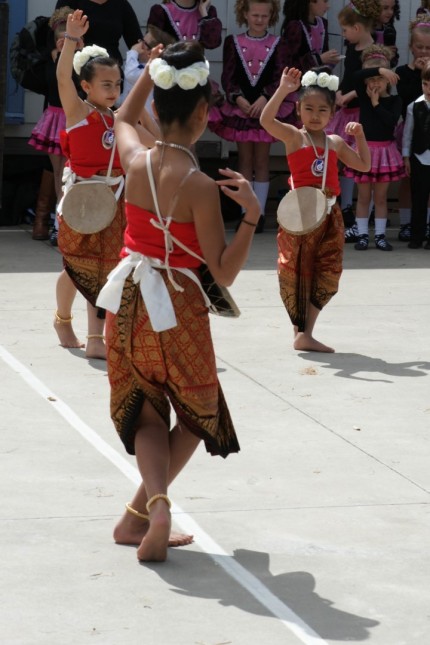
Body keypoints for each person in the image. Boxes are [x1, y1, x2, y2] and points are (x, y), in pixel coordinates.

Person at [96, 41, 260, 562]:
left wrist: (149, 70)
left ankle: (147, 511)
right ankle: (151, 511)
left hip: (127, 304)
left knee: (145, 416)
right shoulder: (199, 185)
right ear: (204, 115)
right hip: (180, 308)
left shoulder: (134, 159)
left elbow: (122, 114)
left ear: (159, 108)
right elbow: (224, 271)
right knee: (197, 413)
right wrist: (253, 215)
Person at [260, 66, 370, 352]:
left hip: (330, 216)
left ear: (332, 113)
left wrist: (359, 136)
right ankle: (300, 331)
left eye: (322, 110)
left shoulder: (334, 143)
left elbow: (364, 165)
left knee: (327, 271)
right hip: (299, 215)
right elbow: (266, 120)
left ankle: (306, 332)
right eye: (308, 108)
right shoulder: (295, 137)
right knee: (296, 271)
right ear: (298, 109)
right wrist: (283, 89)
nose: (315, 115)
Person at [55, 9, 126, 358]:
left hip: (116, 199)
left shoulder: (121, 118)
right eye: (105, 84)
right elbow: (62, 80)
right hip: (81, 200)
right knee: (76, 266)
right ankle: (62, 318)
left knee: (108, 267)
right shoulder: (78, 113)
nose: (113, 90)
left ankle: (96, 337)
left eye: (117, 84)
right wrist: (70, 40)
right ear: (86, 86)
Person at [208, 0, 294, 233]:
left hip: (266, 108)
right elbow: (228, 76)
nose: (259, 20)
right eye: (254, 15)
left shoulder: (278, 43)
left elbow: (279, 76)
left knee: (262, 160)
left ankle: (261, 213)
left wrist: (266, 98)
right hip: (242, 108)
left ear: (271, 17)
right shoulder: (233, 42)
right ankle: (247, 212)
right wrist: (238, 98)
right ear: (244, 14)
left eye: (264, 16)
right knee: (245, 159)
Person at [327, 0, 379, 243]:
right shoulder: (353, 48)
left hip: (360, 113)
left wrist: (348, 95)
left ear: (357, 28)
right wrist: (339, 92)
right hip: (344, 110)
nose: (344, 35)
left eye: (346, 30)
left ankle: (354, 213)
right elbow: (348, 77)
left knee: (356, 161)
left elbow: (372, 84)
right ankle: (339, 207)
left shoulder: (374, 53)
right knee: (338, 157)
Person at [344, 45, 404, 252]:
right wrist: (378, 70)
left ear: (390, 79)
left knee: (380, 197)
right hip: (364, 151)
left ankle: (379, 236)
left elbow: (391, 123)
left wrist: (377, 104)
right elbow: (356, 75)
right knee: (362, 196)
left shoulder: (396, 100)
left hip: (385, 153)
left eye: (380, 78)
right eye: (372, 78)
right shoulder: (362, 94)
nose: (375, 82)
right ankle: (362, 235)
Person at [29, 6, 79, 242]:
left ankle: (66, 222)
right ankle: (60, 224)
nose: (65, 43)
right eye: (61, 41)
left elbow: (79, 86)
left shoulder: (83, 58)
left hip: (74, 118)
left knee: (71, 173)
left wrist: (74, 53)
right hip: (55, 118)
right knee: (60, 172)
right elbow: (52, 85)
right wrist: (58, 58)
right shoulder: (52, 60)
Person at [396, 16, 430, 242]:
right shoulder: (403, 72)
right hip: (410, 133)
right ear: (410, 47)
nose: (423, 51)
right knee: (408, 184)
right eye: (419, 47)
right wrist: (419, 74)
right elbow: (406, 99)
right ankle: (408, 223)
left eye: (429, 48)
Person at [55, 0, 142, 65]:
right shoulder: (68, 2)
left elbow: (136, 41)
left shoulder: (121, 4)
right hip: (76, 69)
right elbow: (54, 38)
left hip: (111, 70)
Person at [402, 60, 430, 250]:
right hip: (419, 158)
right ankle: (416, 236)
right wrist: (406, 157)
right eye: (425, 83)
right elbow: (408, 133)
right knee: (418, 198)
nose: (427, 88)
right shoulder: (414, 106)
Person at [280, 0, 340, 73]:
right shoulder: (295, 27)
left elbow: (324, 55)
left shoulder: (323, 23)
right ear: (310, 2)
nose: (328, 6)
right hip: (299, 82)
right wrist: (319, 59)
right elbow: (289, 64)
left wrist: (330, 60)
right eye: (325, 1)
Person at [147, 0, 222, 50]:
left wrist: (203, 12)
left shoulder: (208, 11)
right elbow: (151, 45)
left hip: (197, 70)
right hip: (168, 70)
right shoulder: (160, 11)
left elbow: (213, 43)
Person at [373, 0, 400, 68]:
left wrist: (392, 56)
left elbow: (393, 62)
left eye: (392, 8)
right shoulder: (365, 31)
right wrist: (382, 52)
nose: (390, 12)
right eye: (385, 8)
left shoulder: (390, 30)